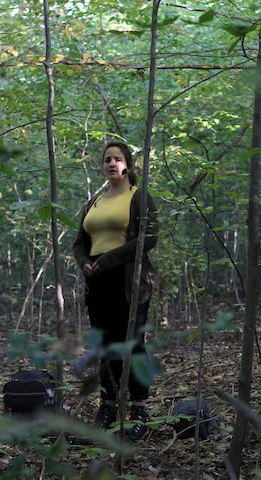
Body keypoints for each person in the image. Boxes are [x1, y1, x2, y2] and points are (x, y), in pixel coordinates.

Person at [72, 141, 159, 442]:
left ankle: (139, 410)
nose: (111, 163)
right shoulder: (95, 201)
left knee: (132, 344)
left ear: (128, 165)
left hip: (128, 280)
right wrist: (85, 262)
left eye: (117, 159)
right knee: (105, 345)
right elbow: (78, 242)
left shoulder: (138, 197)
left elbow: (149, 239)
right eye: (107, 159)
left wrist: (107, 260)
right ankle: (108, 407)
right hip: (97, 281)